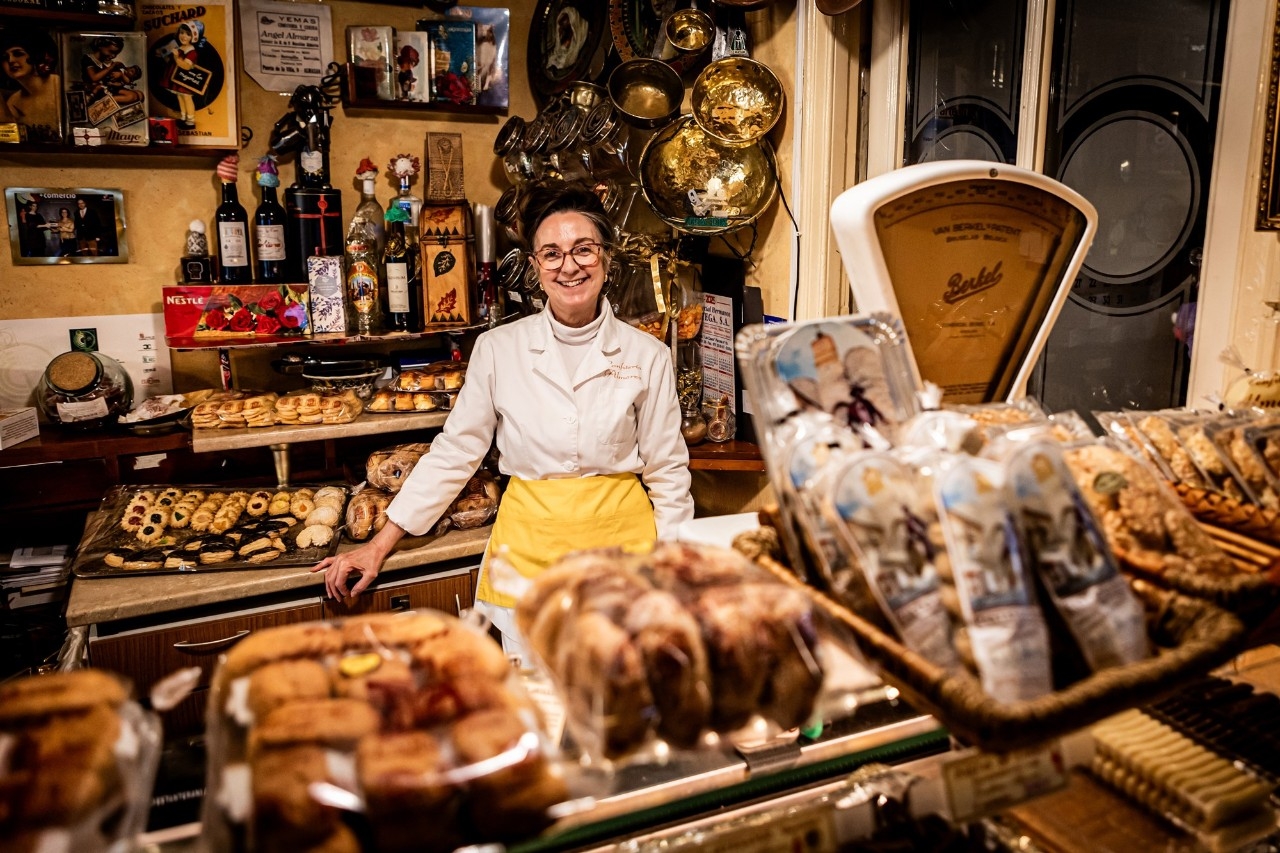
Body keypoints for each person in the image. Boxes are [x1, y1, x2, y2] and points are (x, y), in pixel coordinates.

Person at [314, 181, 694, 657]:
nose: (569, 265)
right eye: (551, 254)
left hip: (626, 557)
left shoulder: (648, 355)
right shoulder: (498, 350)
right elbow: (456, 451)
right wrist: (380, 543)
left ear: (607, 257)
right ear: (535, 266)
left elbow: (667, 471)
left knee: (617, 706)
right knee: (539, 706)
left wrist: (677, 568)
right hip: (529, 556)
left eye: (583, 250)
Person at [0, 29, 62, 143]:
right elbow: (8, 139)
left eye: (18, 53)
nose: (11, 60)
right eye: (4, 57)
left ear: (36, 54)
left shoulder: (60, 86)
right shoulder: (14, 102)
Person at [160, 22, 202, 128]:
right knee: (180, 97)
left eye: (188, 34)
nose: (184, 36)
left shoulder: (192, 52)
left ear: (194, 37)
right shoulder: (179, 48)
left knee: (187, 98)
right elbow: (171, 63)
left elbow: (185, 66)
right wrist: (163, 55)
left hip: (186, 79)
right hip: (177, 78)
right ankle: (183, 117)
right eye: (182, 32)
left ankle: (191, 120)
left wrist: (176, 57)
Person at [81, 36, 144, 107]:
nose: (113, 56)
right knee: (133, 97)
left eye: (116, 53)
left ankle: (106, 101)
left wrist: (119, 75)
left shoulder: (107, 62)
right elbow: (94, 78)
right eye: (111, 52)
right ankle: (100, 104)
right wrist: (112, 67)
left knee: (139, 95)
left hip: (109, 88)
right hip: (96, 89)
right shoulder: (88, 59)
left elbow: (120, 78)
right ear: (101, 46)